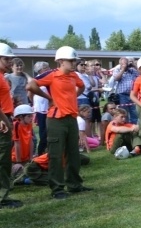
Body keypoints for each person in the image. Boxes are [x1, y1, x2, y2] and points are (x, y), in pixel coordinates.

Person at [26, 46, 92, 199]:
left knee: (73, 153)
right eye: (71, 60)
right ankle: (57, 189)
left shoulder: (73, 75)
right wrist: (49, 98)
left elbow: (82, 86)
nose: (74, 63)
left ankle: (75, 185)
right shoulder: (52, 75)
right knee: (56, 155)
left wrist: (72, 97)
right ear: (61, 61)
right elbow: (30, 85)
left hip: (71, 118)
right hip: (56, 120)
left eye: (74, 60)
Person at [1, 44, 22, 208]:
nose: (10, 61)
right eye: (6, 58)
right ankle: (1, 197)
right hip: (2, 120)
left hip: (5, 117)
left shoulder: (2, 75)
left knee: (4, 159)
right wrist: (3, 119)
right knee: (2, 160)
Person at [111, 57, 140, 124]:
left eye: (126, 63)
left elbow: (140, 75)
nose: (125, 65)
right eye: (123, 64)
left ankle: (134, 127)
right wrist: (123, 69)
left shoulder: (132, 70)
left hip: (132, 94)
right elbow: (116, 78)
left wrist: (134, 65)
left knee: (134, 113)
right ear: (120, 64)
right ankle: (125, 127)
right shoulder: (117, 70)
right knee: (124, 112)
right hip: (122, 95)